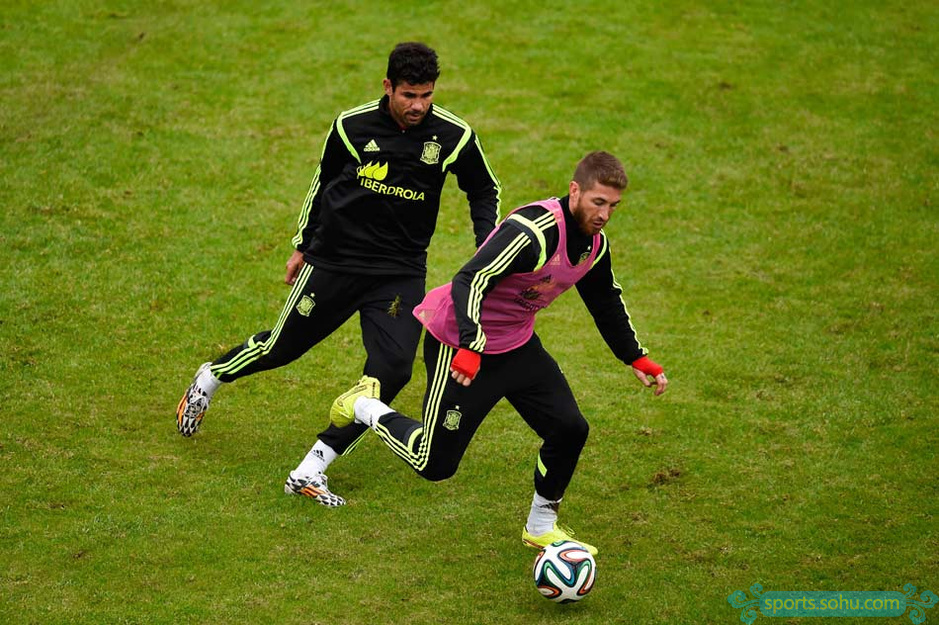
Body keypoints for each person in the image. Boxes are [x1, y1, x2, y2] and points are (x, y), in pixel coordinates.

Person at [175, 42, 502, 507]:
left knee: (392, 371)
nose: (418, 106)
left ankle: (313, 466)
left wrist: (487, 247)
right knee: (282, 348)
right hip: (336, 261)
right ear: (388, 87)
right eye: (409, 95)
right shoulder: (351, 126)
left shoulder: (453, 136)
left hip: (399, 272)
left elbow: (483, 189)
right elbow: (323, 180)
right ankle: (210, 377)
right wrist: (303, 245)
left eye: (427, 95)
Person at [314, 151, 668, 555]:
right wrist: (471, 345)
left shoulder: (594, 246)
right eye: (597, 202)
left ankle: (541, 526)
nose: (604, 214)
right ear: (575, 191)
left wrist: (634, 356)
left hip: (516, 345)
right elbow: (470, 279)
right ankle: (365, 405)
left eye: (613, 206)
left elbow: (604, 300)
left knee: (570, 428)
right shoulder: (532, 233)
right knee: (435, 464)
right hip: (460, 343)